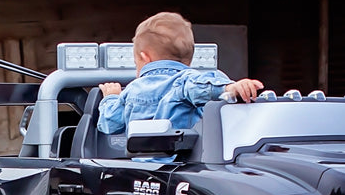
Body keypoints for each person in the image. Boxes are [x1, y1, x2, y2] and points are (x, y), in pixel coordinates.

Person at [97, 12, 264, 135]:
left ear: (144, 57)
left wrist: (110, 97)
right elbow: (202, 85)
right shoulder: (187, 80)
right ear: (190, 59)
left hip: (146, 168)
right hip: (189, 163)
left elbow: (109, 123)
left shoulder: (133, 89)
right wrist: (229, 87)